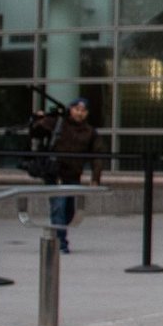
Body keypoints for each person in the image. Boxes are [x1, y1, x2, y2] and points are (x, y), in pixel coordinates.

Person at [28, 97, 104, 254]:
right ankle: (60, 243)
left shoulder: (90, 132)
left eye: (83, 110)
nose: (79, 113)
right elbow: (35, 132)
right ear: (71, 109)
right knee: (59, 207)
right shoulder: (58, 123)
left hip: (73, 174)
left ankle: (59, 235)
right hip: (56, 173)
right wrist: (38, 119)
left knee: (69, 212)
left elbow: (97, 156)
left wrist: (95, 178)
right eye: (77, 109)